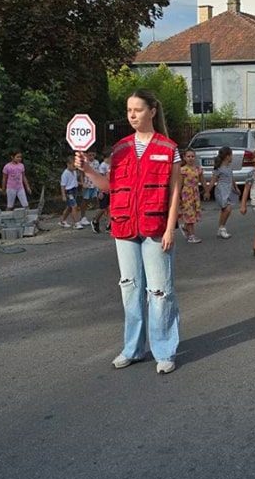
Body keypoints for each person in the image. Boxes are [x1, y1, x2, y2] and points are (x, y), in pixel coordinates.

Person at [75, 89, 182, 375]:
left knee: (160, 292)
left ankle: (164, 350)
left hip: (156, 227)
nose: (132, 115)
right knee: (130, 289)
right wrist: (87, 170)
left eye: (137, 109)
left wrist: (171, 228)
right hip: (124, 226)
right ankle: (133, 349)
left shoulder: (168, 148)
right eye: (128, 110)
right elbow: (110, 187)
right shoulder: (120, 149)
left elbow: (175, 191)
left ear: (152, 111)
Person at [206, 146, 240, 239]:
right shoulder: (219, 168)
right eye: (231, 155)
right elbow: (213, 180)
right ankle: (222, 228)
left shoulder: (229, 167)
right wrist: (207, 191)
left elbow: (232, 178)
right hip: (221, 191)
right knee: (227, 209)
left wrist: (236, 188)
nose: (232, 157)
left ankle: (221, 228)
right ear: (227, 156)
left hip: (229, 190)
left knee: (224, 210)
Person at [178, 149, 204, 243]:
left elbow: (202, 180)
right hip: (186, 194)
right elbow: (180, 183)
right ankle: (191, 236)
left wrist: (207, 190)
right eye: (188, 156)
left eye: (192, 156)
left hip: (195, 194)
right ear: (184, 158)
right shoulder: (183, 170)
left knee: (193, 213)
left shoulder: (198, 169)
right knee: (189, 215)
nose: (190, 158)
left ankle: (185, 228)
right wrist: (178, 196)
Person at [77, 154, 100, 227]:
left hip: (95, 184)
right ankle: (82, 217)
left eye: (93, 155)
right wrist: (83, 183)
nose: (91, 157)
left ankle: (98, 216)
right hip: (87, 184)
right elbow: (81, 173)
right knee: (85, 200)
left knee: (96, 199)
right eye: (90, 155)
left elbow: (98, 173)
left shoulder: (97, 162)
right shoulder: (85, 162)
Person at [59, 156, 82, 228]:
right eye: (73, 165)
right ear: (68, 164)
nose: (74, 167)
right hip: (69, 192)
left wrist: (82, 184)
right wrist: (63, 195)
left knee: (69, 207)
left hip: (74, 190)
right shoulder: (65, 174)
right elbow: (62, 185)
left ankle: (62, 221)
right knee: (74, 206)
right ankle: (76, 223)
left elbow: (74, 181)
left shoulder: (74, 172)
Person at [92, 154, 111, 234]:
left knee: (111, 208)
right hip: (103, 190)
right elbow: (100, 179)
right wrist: (100, 191)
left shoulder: (112, 165)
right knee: (103, 208)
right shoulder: (102, 166)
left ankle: (109, 226)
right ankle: (95, 221)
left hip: (111, 189)